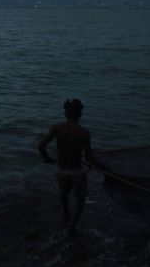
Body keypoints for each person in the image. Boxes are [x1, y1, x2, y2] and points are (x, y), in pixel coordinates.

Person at [38, 99, 102, 236]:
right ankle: (71, 228)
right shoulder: (83, 132)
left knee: (63, 194)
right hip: (76, 172)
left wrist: (48, 159)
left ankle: (66, 215)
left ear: (65, 113)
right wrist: (100, 165)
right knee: (80, 200)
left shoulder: (56, 128)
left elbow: (41, 146)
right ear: (80, 115)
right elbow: (89, 157)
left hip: (61, 171)